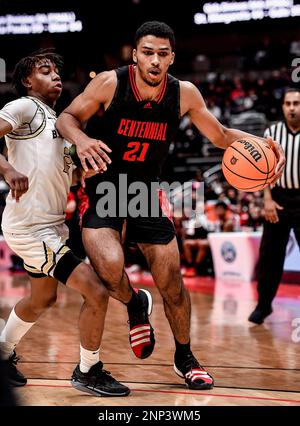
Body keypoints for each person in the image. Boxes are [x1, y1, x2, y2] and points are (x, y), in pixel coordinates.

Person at [56, 21, 285, 390]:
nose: (155, 60)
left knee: (172, 284)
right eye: (148, 52)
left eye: (163, 54)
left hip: (146, 191)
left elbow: (222, 136)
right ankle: (134, 305)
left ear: (172, 58)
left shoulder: (185, 93)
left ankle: (185, 356)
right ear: (135, 55)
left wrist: (265, 143)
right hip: (103, 186)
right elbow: (67, 116)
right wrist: (81, 140)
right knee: (110, 268)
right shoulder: (111, 83)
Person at [0, 50, 130, 397]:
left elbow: (62, 178)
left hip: (50, 226)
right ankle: (89, 370)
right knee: (97, 291)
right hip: (32, 228)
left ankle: (1, 354)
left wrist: (81, 171)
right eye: (45, 71)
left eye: (57, 71)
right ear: (28, 81)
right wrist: (7, 169)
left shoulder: (55, 121)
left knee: (43, 299)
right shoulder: (24, 107)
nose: (55, 76)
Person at [249, 88, 300, 324]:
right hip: (277, 198)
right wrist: (267, 199)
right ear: (282, 107)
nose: (292, 107)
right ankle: (264, 305)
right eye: (288, 103)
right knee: (270, 256)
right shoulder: (272, 133)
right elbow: (265, 171)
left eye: (296, 103)